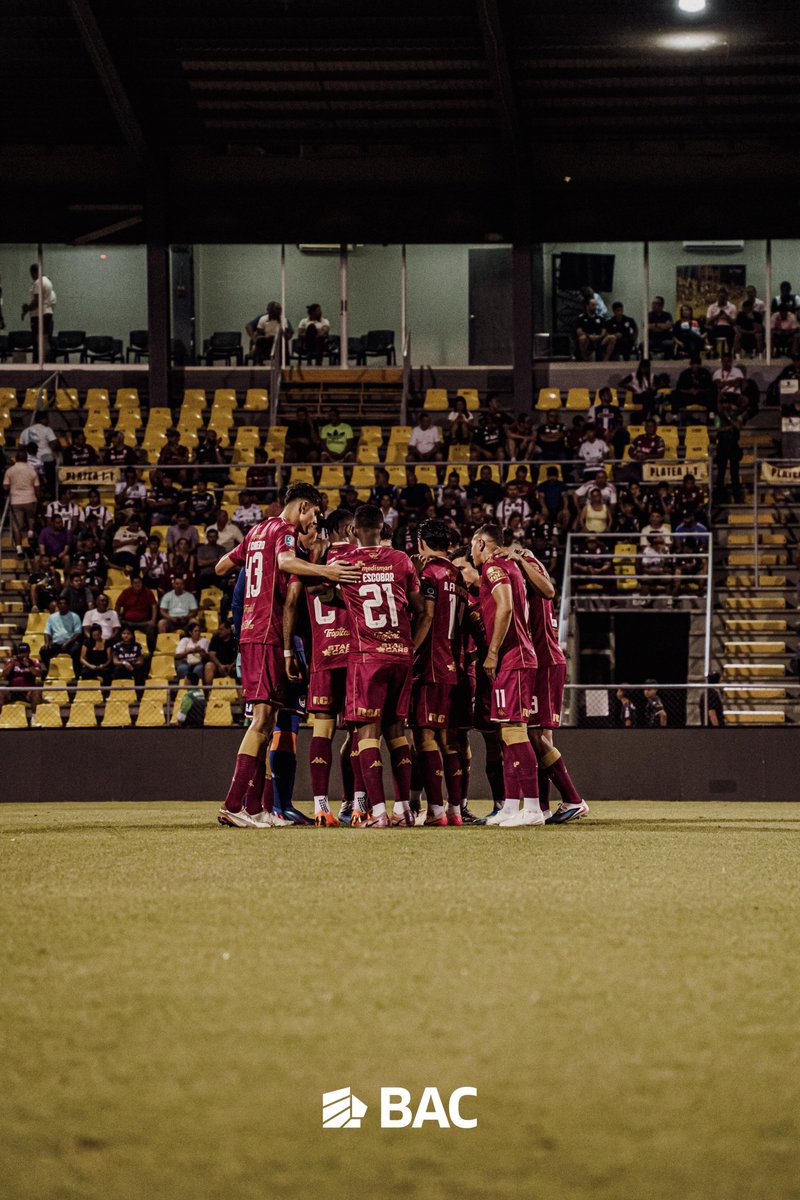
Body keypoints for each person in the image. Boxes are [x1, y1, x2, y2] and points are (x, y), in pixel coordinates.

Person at [214, 481, 360, 828]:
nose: (314, 519)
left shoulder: (255, 531)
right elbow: (284, 560)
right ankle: (234, 804)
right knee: (262, 721)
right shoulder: (284, 530)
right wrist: (327, 570)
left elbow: (222, 566)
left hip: (252, 630)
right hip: (267, 632)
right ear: (304, 506)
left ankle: (256, 808)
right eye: (315, 512)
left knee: (267, 721)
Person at [331, 503, 424, 828]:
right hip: (401, 654)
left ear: (353, 531)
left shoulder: (345, 563)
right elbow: (421, 609)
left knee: (367, 735)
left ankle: (380, 814)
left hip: (367, 656)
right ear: (384, 529)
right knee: (398, 733)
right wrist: (412, 646)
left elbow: (317, 590)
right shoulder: (401, 560)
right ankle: (403, 811)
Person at [470, 524, 543, 826]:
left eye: (472, 545)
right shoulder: (508, 566)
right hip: (517, 657)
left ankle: (535, 808)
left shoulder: (493, 567)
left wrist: (492, 652)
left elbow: (505, 608)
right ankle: (512, 806)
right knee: (507, 732)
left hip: (513, 657)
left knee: (515, 732)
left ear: (482, 544)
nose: (470, 551)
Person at [508, 545, 588, 823]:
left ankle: (573, 799)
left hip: (545, 663)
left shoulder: (527, 564)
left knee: (535, 736)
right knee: (536, 735)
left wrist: (521, 558)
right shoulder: (530, 565)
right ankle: (541, 807)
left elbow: (549, 590)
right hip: (544, 661)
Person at [409, 518, 469, 826]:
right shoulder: (459, 576)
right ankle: (455, 810)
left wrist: (410, 650)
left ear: (422, 543)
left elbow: (427, 616)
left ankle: (434, 810)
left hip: (430, 663)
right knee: (450, 741)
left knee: (425, 737)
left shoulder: (429, 575)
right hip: (453, 666)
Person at [3, 447, 39, 556]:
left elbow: (5, 486)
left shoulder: (10, 470)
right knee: (31, 518)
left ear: (16, 458)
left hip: (16, 500)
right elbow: (37, 487)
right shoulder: (32, 470)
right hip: (30, 498)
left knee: (16, 525)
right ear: (26, 458)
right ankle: (30, 533)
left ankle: (19, 549)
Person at [1, 643, 44, 720]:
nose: (23, 654)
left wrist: (28, 665)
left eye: (25, 652)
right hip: (13, 691)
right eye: (21, 652)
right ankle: (0, 717)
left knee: (37, 692)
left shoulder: (34, 662)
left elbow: (38, 674)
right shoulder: (11, 661)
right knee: (0, 692)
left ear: (29, 652)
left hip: (28, 692)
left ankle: (34, 718)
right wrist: (12, 664)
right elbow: (4, 675)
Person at [42, 597, 83, 677]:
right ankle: (48, 671)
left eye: (64, 603)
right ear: (57, 605)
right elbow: (47, 632)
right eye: (60, 603)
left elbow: (77, 633)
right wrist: (47, 642)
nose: (62, 605)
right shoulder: (52, 617)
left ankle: (77, 674)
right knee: (44, 651)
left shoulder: (75, 616)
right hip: (56, 643)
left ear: (68, 605)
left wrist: (67, 643)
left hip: (71, 643)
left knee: (77, 650)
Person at [20, 410, 58, 494]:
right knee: (51, 478)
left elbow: (21, 447)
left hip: (30, 461)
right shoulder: (47, 429)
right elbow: (54, 443)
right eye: (47, 419)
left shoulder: (25, 431)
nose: (48, 421)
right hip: (45, 459)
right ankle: (49, 493)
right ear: (43, 419)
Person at [21, 263, 56, 349]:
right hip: (47, 314)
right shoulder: (48, 281)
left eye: (31, 274)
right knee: (45, 340)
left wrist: (27, 309)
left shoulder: (38, 282)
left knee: (38, 342)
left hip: (39, 315)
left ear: (33, 272)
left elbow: (37, 300)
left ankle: (40, 360)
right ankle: (47, 360)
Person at [110, 626, 148, 691]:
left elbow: (140, 661)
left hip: (134, 667)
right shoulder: (116, 646)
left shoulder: (137, 646)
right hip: (122, 667)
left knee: (140, 671)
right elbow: (115, 661)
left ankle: (139, 693)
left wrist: (132, 665)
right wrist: (124, 663)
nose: (126, 635)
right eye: (124, 633)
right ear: (121, 635)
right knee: (118, 669)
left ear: (132, 635)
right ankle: (118, 691)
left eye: (128, 634)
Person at [204, 619, 238, 689]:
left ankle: (241, 692)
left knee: (240, 667)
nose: (219, 632)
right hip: (218, 665)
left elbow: (240, 655)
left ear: (229, 630)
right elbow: (211, 654)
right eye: (219, 629)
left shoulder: (235, 639)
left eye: (221, 629)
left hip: (233, 665)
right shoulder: (215, 639)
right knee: (209, 666)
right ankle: (209, 691)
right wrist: (220, 665)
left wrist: (231, 665)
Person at [79, 623, 112, 688]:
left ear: (101, 633)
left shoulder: (107, 643)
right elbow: (82, 658)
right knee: (85, 673)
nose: (96, 637)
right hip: (90, 666)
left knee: (107, 673)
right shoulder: (86, 642)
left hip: (102, 667)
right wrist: (90, 666)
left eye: (98, 635)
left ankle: (106, 693)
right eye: (94, 635)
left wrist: (104, 665)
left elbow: (109, 659)